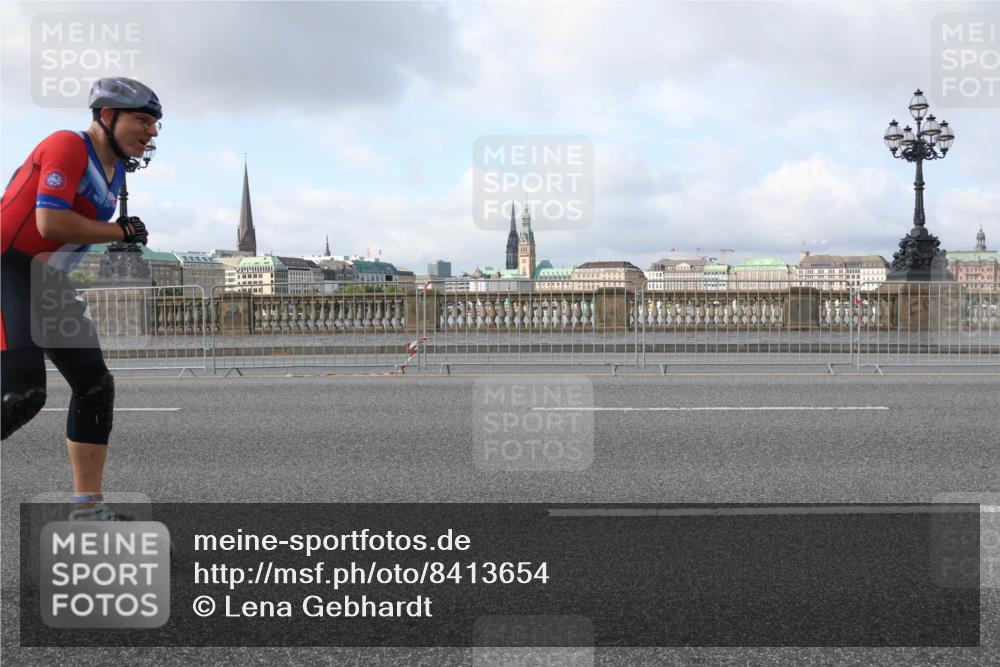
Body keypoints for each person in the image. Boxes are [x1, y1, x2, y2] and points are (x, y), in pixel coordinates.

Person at [1, 77, 161, 520]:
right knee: (22, 395)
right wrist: (119, 231)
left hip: (47, 281)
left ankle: (88, 511)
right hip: (8, 268)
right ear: (107, 116)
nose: (151, 132)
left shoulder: (117, 171)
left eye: (155, 125)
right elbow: (50, 222)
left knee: (95, 387)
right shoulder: (67, 145)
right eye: (143, 120)